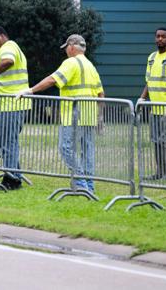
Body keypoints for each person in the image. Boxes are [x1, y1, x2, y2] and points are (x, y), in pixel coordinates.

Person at [17, 34, 104, 192]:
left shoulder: (71, 62)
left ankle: (81, 183)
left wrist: (30, 90)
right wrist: (100, 116)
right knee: (87, 150)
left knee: (66, 147)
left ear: (71, 47)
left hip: (73, 113)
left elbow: (52, 80)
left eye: (66, 48)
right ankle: (89, 185)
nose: (65, 51)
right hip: (89, 113)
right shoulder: (90, 66)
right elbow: (101, 93)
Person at [0, 25, 30, 191]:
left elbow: (8, 62)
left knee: (8, 143)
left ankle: (10, 179)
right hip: (11, 104)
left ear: (2, 36)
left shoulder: (8, 47)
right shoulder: (10, 47)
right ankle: (15, 177)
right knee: (9, 143)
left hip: (11, 105)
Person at [138, 27, 166, 180]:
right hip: (154, 109)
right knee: (157, 142)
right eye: (157, 36)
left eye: (163, 37)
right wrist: (142, 98)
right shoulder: (151, 57)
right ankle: (160, 172)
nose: (160, 39)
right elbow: (149, 82)